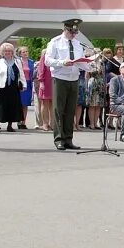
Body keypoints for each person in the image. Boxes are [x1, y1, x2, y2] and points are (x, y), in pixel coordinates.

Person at [45, 19, 92, 150]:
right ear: (65, 29)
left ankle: (68, 139)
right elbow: (48, 60)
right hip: (60, 78)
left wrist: (90, 65)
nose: (73, 35)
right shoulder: (55, 42)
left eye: (75, 32)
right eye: (71, 32)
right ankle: (59, 139)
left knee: (70, 110)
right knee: (59, 110)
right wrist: (61, 62)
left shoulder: (78, 44)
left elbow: (81, 62)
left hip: (74, 78)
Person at [0, 43, 26, 132]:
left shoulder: (17, 61)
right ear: (2, 52)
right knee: (0, 106)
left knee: (13, 106)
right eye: (5, 51)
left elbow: (21, 74)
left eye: (9, 51)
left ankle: (10, 125)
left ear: (12, 52)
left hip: (14, 87)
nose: (7, 53)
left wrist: (24, 84)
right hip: (2, 87)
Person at [17, 46, 35, 129]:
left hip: (28, 84)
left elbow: (34, 74)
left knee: (25, 104)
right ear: (20, 54)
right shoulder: (17, 62)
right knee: (19, 103)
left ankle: (23, 122)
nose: (25, 53)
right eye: (23, 52)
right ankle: (18, 121)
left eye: (26, 51)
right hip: (20, 84)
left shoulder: (31, 62)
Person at [36, 49, 53, 131]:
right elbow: (41, 70)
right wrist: (41, 82)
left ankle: (52, 123)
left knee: (52, 104)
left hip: (54, 83)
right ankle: (45, 124)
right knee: (45, 103)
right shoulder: (44, 57)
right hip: (46, 83)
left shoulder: (56, 57)